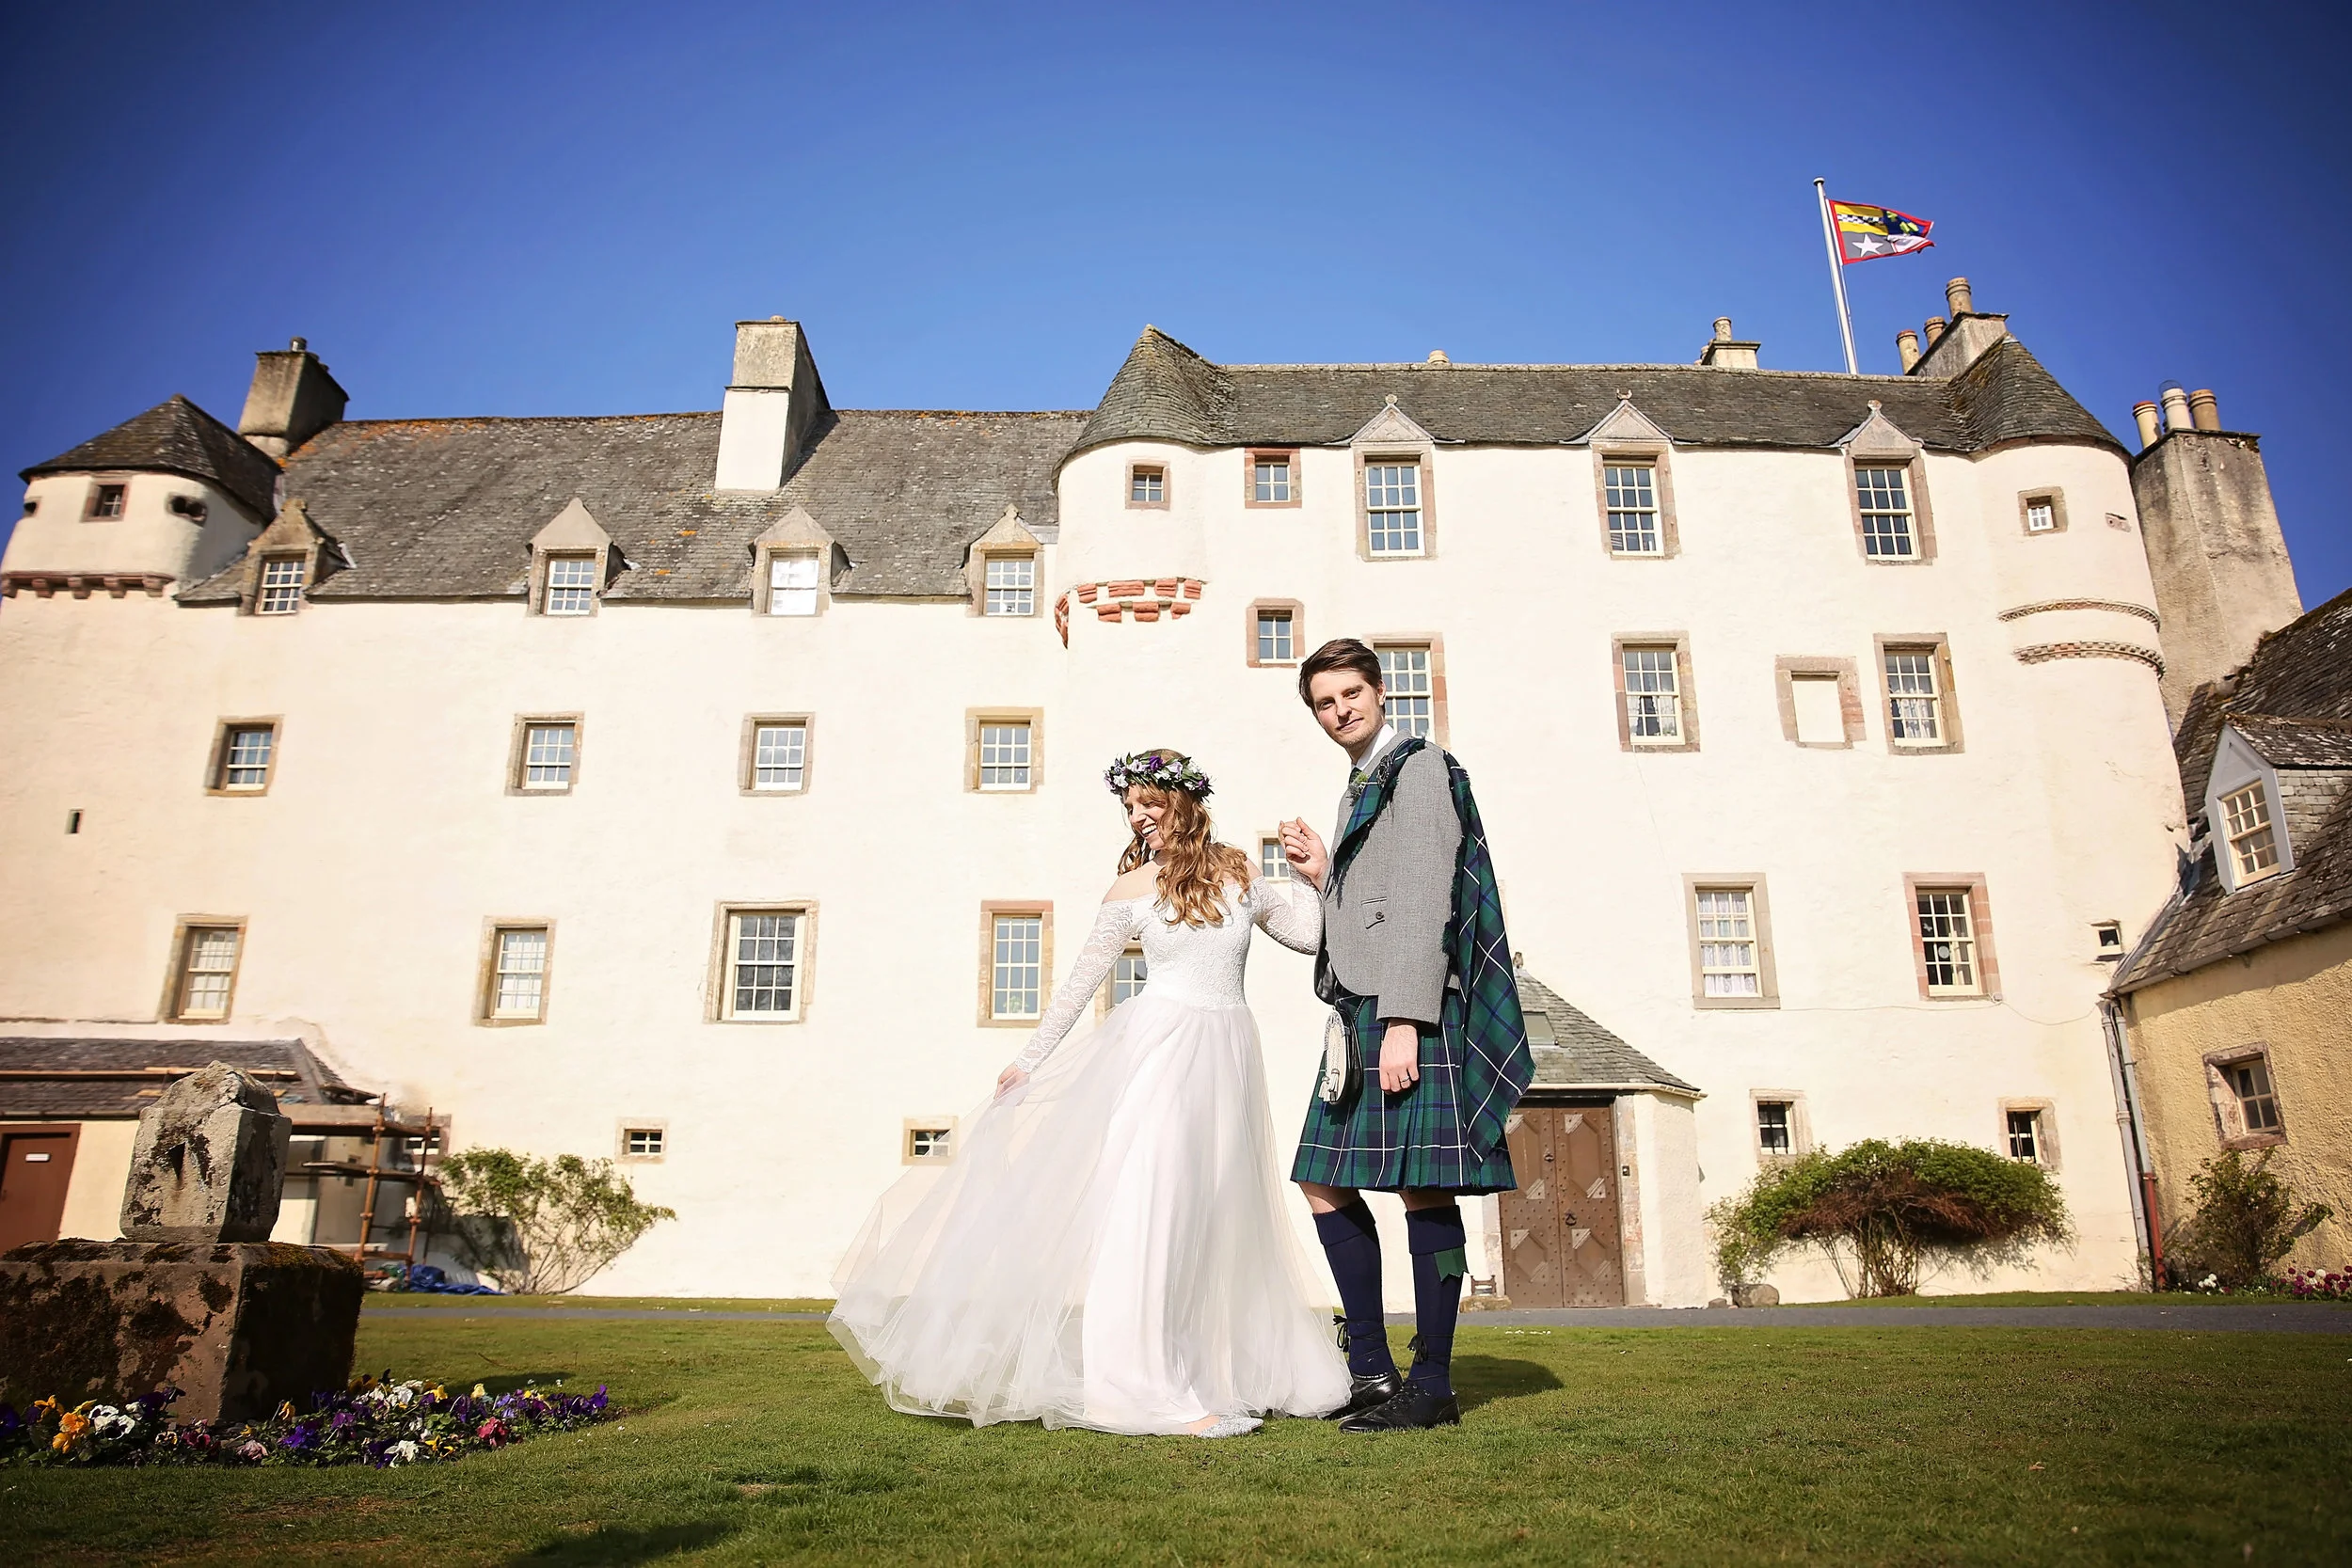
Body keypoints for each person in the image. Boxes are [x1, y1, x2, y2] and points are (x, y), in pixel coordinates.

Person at [829, 749, 1349, 1437]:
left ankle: (1203, 1369)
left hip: (1228, 1053)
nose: (1138, 817)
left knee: (1211, 1212)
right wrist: (1027, 1061)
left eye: (1148, 804)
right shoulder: (1131, 889)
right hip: (1160, 1052)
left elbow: (1311, 935)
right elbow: (1079, 984)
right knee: (1151, 1208)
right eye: (1130, 808)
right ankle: (1130, 1385)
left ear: (1182, 803)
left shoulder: (1237, 872)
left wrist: (1316, 872)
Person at [1279, 638, 1534, 1432]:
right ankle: (1373, 1370)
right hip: (1363, 1006)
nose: (1339, 710)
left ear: (1382, 692)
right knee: (1322, 1178)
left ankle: (1432, 1382)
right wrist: (1327, 875)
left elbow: (1425, 898)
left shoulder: (1418, 767)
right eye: (1324, 702)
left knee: (1426, 1187)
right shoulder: (1363, 782)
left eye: (1351, 693)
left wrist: (1404, 1022)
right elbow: (1376, 904)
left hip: (1402, 1011)